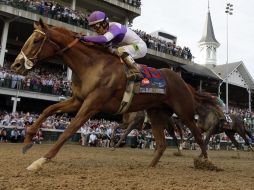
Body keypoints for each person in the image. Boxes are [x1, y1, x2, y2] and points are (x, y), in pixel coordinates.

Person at [79, 11, 147, 81]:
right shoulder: (103, 32)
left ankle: (136, 71)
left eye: (96, 26)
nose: (96, 30)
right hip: (129, 46)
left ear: (104, 23)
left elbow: (105, 39)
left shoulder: (115, 27)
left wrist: (85, 38)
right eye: (93, 27)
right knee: (111, 52)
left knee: (120, 50)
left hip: (139, 47)